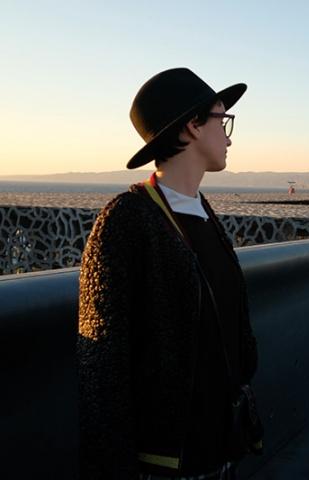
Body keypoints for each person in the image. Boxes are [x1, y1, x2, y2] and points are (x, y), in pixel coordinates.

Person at [78, 68, 259, 479]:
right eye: (223, 120)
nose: (229, 136)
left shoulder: (203, 212)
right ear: (193, 125)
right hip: (164, 462)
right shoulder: (126, 219)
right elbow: (101, 359)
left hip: (220, 446)